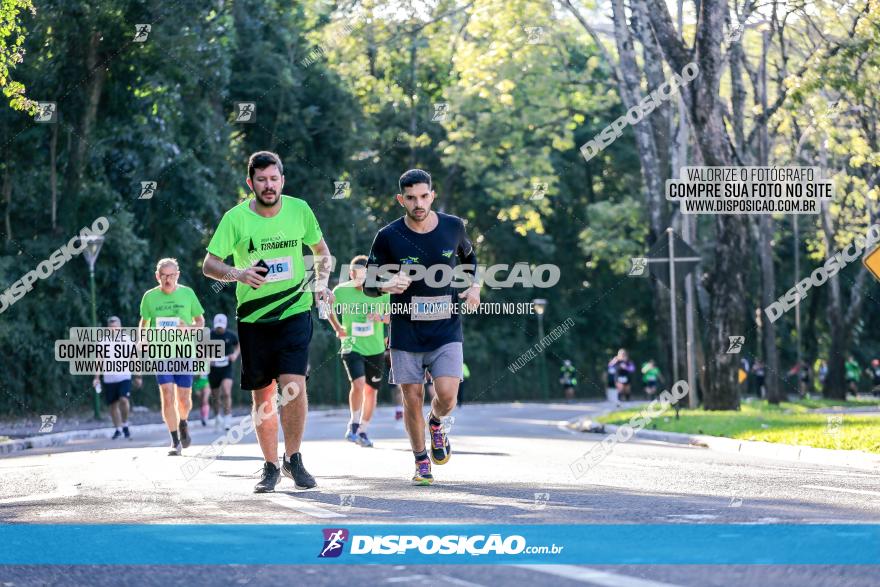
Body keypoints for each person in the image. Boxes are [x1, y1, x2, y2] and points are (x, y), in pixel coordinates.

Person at [202, 150, 334, 493]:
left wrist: (321, 285)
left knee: (294, 385)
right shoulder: (235, 219)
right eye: (261, 179)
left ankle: (294, 458)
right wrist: (238, 273)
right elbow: (209, 264)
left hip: (294, 311)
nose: (268, 185)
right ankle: (271, 466)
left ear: (282, 180)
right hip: (254, 318)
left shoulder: (299, 209)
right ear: (251, 183)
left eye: (274, 178)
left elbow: (322, 253)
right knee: (264, 398)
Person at [364, 168, 480, 485]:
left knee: (447, 395)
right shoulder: (388, 236)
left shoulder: (453, 227)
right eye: (411, 198)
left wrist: (475, 287)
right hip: (406, 329)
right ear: (401, 199)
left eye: (423, 196)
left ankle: (437, 422)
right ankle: (420, 461)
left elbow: (470, 260)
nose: (418, 203)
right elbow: (368, 283)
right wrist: (387, 283)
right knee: (412, 396)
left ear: (432, 195)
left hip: (446, 326)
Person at [139, 258, 205, 456]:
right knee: (167, 394)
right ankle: (174, 439)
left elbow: (200, 322)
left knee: (183, 399)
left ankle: (183, 421)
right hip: (161, 353)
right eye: (164, 275)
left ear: (178, 275)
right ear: (157, 276)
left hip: (185, 353)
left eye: (172, 275)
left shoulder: (187, 293)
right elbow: (144, 322)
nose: (168, 279)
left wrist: (189, 328)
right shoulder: (149, 297)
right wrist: (142, 340)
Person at [328, 255, 391, 448]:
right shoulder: (341, 291)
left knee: (371, 391)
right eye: (357, 276)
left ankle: (363, 430)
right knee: (359, 383)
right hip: (351, 345)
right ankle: (353, 423)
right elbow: (327, 308)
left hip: (375, 348)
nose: (361, 281)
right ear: (351, 274)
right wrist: (338, 327)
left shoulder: (382, 292)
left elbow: (394, 316)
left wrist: (380, 317)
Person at [92, 315, 141, 439]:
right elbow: (99, 360)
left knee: (124, 400)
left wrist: (138, 375)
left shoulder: (127, 340)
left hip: (124, 376)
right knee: (113, 405)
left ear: (120, 327)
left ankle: (125, 423)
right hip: (109, 378)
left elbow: (134, 358)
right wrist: (96, 377)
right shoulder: (103, 342)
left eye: (116, 327)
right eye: (111, 327)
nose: (113, 330)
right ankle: (118, 429)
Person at [208, 313, 240, 431]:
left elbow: (238, 346)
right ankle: (217, 416)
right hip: (213, 369)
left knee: (226, 392)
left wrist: (235, 355)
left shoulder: (231, 335)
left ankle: (227, 417)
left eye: (221, 326)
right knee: (215, 396)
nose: (219, 329)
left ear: (225, 325)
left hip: (227, 366)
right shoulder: (209, 335)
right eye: (217, 327)